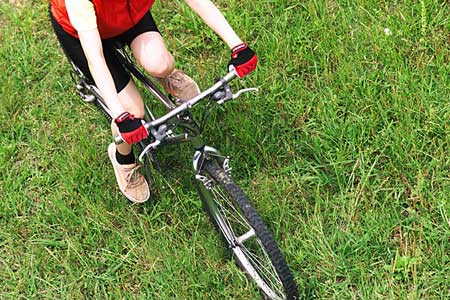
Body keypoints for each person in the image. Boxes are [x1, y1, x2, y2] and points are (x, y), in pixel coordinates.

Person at [49, 0, 258, 203]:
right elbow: (96, 59)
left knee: (160, 65)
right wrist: (121, 116)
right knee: (132, 110)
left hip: (128, 16)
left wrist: (237, 45)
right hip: (81, 35)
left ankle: (168, 76)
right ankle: (123, 160)